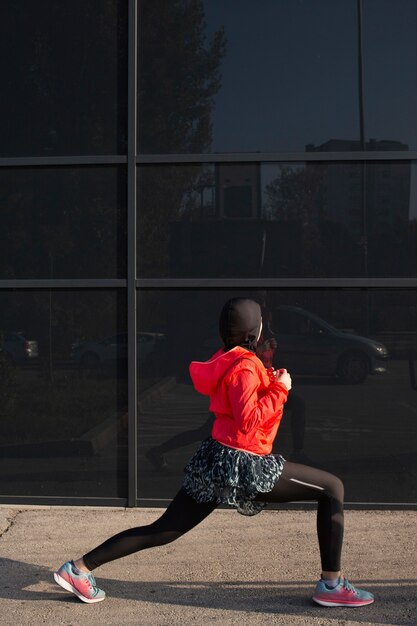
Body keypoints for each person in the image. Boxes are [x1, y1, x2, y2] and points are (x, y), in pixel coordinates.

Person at [54, 298, 374, 608]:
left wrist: (270, 379)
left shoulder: (228, 356)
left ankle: (78, 568)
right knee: (332, 488)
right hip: (242, 463)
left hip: (215, 458)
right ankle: (332, 584)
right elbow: (249, 422)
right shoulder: (246, 367)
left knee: (165, 529)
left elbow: (240, 403)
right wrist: (281, 388)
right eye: (262, 324)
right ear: (253, 332)